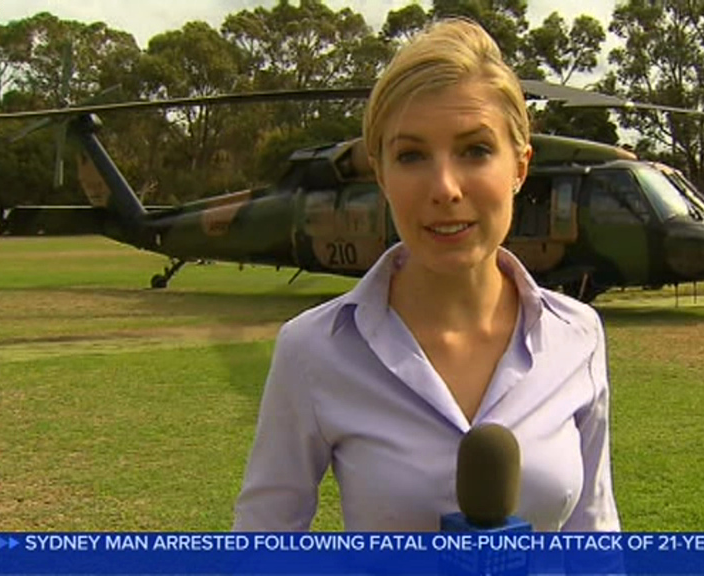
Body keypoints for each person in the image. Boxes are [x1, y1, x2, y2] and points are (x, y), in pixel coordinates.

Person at [232, 18, 619, 533]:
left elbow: (594, 534)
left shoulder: (577, 336)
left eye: (475, 150)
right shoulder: (314, 349)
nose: (444, 188)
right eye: (411, 156)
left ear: (520, 167)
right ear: (381, 174)